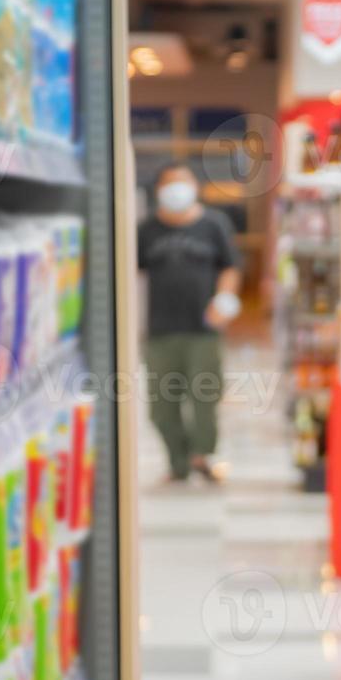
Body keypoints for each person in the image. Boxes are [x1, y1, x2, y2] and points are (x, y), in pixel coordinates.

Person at [138, 163, 243, 483]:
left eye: (183, 183)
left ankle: (202, 456)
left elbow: (230, 266)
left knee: (205, 398)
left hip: (204, 330)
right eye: (170, 184)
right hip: (159, 331)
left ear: (194, 187)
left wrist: (224, 300)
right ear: (158, 192)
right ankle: (178, 461)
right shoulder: (146, 231)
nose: (177, 190)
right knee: (161, 407)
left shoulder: (213, 224)